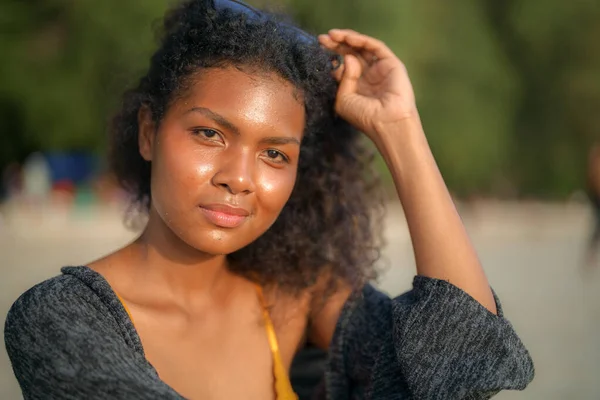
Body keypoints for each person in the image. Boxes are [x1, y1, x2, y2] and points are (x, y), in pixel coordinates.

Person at [4, 0, 534, 399]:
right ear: (148, 132)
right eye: (210, 134)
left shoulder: (296, 297)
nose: (240, 178)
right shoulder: (56, 317)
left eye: (275, 155)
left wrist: (400, 129)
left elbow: (467, 366)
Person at [585, 142, 600, 268]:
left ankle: (591, 254)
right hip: (596, 196)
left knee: (597, 226)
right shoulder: (595, 158)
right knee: (597, 225)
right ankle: (591, 254)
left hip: (595, 195)